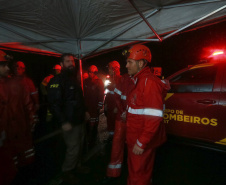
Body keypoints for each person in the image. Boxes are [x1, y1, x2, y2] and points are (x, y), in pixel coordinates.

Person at [125, 44, 170, 185]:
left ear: (141, 63)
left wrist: (141, 142)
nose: (126, 66)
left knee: (138, 175)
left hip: (140, 141)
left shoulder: (148, 83)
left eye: (129, 62)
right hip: (135, 138)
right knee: (139, 172)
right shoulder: (139, 81)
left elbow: (154, 117)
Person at [47, 53, 88, 185]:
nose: (71, 63)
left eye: (72, 61)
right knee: (73, 148)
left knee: (79, 145)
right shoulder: (57, 81)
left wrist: (85, 111)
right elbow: (54, 104)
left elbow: (78, 99)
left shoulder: (73, 79)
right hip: (69, 122)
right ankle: (67, 171)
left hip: (79, 120)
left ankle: (77, 166)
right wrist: (63, 121)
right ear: (62, 64)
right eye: (67, 61)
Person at [0, 50, 35, 184]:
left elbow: (28, 103)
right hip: (6, 137)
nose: (7, 68)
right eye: (3, 65)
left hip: (21, 131)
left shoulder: (17, 83)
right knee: (9, 168)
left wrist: (32, 120)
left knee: (25, 163)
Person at [101, 73, 134, 184]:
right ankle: (113, 172)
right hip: (122, 116)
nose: (127, 65)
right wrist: (122, 111)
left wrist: (127, 112)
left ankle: (134, 174)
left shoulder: (144, 79)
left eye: (130, 62)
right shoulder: (123, 79)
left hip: (135, 118)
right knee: (117, 143)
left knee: (134, 146)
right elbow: (117, 96)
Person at [83, 65, 104, 149]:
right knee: (87, 124)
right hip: (87, 108)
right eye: (89, 72)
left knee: (95, 125)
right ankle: (87, 141)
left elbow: (101, 95)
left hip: (95, 108)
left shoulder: (99, 82)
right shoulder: (85, 81)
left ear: (95, 73)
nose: (90, 73)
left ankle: (93, 141)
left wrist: (99, 106)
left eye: (92, 72)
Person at [104, 61, 121, 136]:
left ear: (115, 69)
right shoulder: (110, 79)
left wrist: (117, 107)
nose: (109, 70)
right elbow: (108, 92)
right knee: (110, 123)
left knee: (116, 125)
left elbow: (122, 96)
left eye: (110, 69)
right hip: (110, 106)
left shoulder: (121, 79)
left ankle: (115, 140)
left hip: (116, 108)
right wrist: (106, 104)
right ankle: (111, 139)